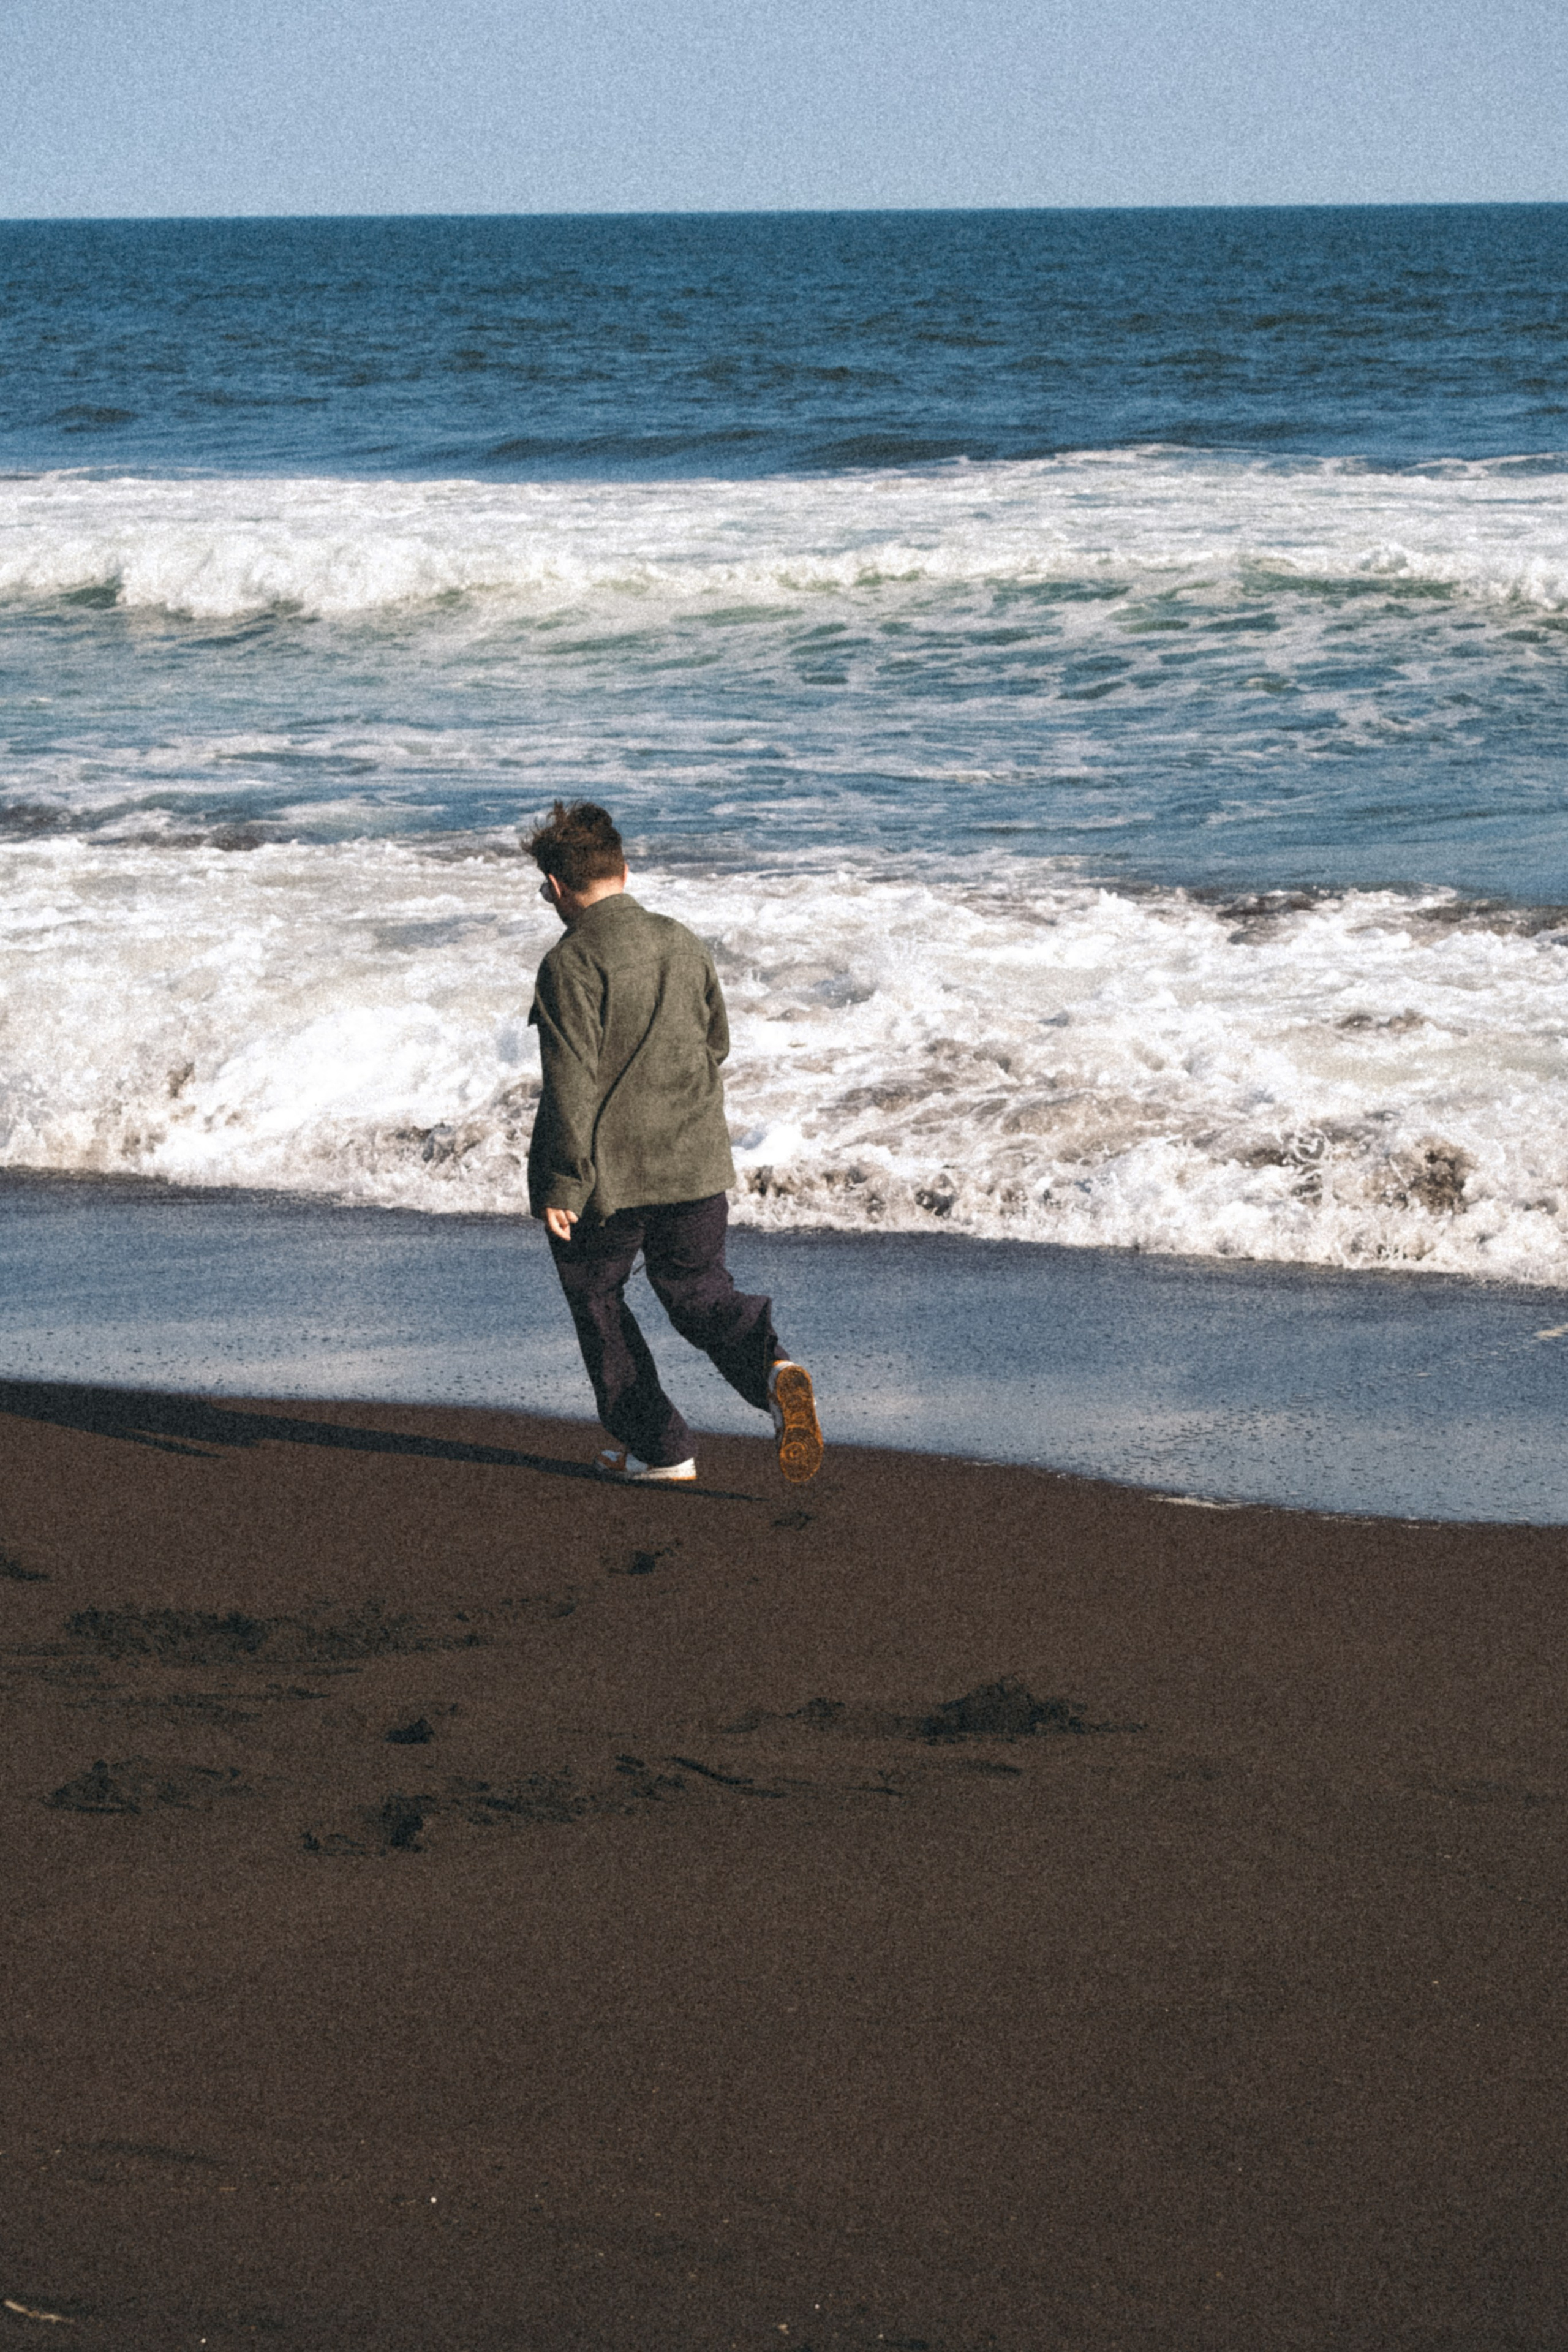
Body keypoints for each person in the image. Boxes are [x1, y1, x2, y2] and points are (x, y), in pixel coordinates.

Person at [524, 799, 822, 1486]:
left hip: (609, 1177)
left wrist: (563, 1182)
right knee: (698, 1291)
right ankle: (774, 1371)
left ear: (557, 889)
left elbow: (569, 1081)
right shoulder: (682, 940)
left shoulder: (570, 962)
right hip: (693, 1161)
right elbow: (715, 1042)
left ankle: (661, 1449)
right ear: (624, 871)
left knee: (598, 1299)